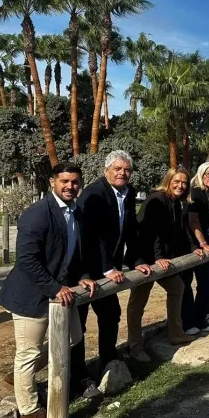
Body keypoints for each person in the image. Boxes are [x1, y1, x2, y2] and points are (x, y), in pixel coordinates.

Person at [0, 163, 99, 418]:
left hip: (61, 292)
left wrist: (83, 275)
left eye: (75, 182)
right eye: (64, 181)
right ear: (53, 182)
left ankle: (18, 376)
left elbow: (75, 253)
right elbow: (27, 260)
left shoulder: (77, 212)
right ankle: (29, 408)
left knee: (73, 337)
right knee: (28, 353)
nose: (70, 186)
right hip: (31, 295)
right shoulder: (37, 214)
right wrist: (54, 288)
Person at [76, 150, 150, 378]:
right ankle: (78, 375)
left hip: (109, 268)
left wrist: (136, 260)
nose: (122, 173)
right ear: (106, 170)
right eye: (117, 169)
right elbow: (91, 237)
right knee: (78, 324)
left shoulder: (127, 193)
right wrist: (107, 268)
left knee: (110, 315)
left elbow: (130, 231)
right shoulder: (93, 194)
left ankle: (108, 362)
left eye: (127, 169)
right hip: (84, 268)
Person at [125, 167, 200, 361]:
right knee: (138, 303)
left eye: (184, 182)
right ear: (168, 180)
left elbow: (181, 230)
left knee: (177, 287)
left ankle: (176, 333)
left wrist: (195, 248)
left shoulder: (176, 202)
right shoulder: (157, 199)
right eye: (176, 181)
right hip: (142, 258)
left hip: (161, 259)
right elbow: (151, 233)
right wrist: (157, 258)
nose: (180, 186)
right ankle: (135, 346)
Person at [183, 161, 209, 334]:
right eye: (208, 174)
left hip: (204, 243)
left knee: (206, 283)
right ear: (201, 174)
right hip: (189, 243)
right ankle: (188, 323)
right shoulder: (195, 192)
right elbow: (193, 221)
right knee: (186, 285)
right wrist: (202, 243)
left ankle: (199, 318)